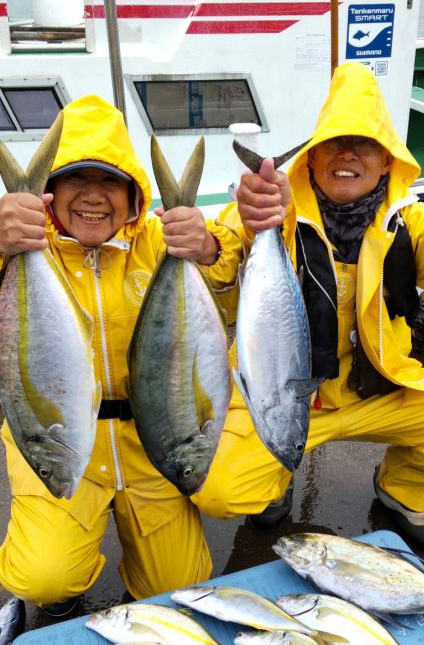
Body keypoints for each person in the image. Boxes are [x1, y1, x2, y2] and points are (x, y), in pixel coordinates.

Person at [192, 61, 424, 552]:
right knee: (219, 488)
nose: (348, 155)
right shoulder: (275, 211)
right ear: (311, 159)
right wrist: (228, 236)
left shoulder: (410, 220)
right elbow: (225, 247)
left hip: (384, 389)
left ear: (387, 163)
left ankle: (403, 492)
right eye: (333, 144)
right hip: (288, 391)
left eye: (366, 146)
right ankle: (276, 473)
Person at [0, 94, 243, 615]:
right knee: (41, 577)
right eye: (75, 181)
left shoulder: (160, 240)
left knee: (179, 586)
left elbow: (231, 277)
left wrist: (208, 247)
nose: (93, 197)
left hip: (153, 434)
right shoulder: (20, 245)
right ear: (49, 192)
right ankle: (64, 597)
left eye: (109, 181)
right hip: (58, 435)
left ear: (134, 192)